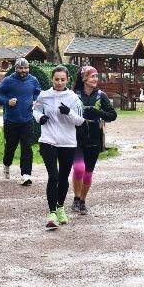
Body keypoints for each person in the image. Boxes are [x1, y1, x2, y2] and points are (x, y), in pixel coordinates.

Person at [32, 65, 84, 230]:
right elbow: (35, 109)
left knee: (63, 177)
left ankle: (60, 206)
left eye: (62, 79)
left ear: (67, 80)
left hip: (67, 142)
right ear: (52, 79)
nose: (59, 82)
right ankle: (52, 213)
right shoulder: (44, 95)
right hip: (48, 140)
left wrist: (68, 112)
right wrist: (40, 117)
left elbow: (80, 121)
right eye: (56, 79)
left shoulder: (73, 98)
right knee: (53, 176)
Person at [70, 65, 116, 215]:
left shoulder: (100, 95)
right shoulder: (74, 94)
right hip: (76, 138)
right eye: (92, 76)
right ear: (84, 78)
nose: (95, 79)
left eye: (96, 76)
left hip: (95, 139)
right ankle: (76, 199)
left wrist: (98, 112)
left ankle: (82, 201)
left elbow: (112, 115)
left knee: (88, 172)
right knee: (78, 169)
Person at [0, 58, 41, 185]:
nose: (23, 70)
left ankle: (26, 174)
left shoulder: (33, 80)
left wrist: (35, 101)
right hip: (11, 120)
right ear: (16, 69)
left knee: (27, 147)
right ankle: (6, 164)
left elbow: (38, 93)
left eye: (25, 68)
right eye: (21, 68)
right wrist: (7, 101)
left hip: (27, 120)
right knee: (10, 147)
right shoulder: (8, 80)